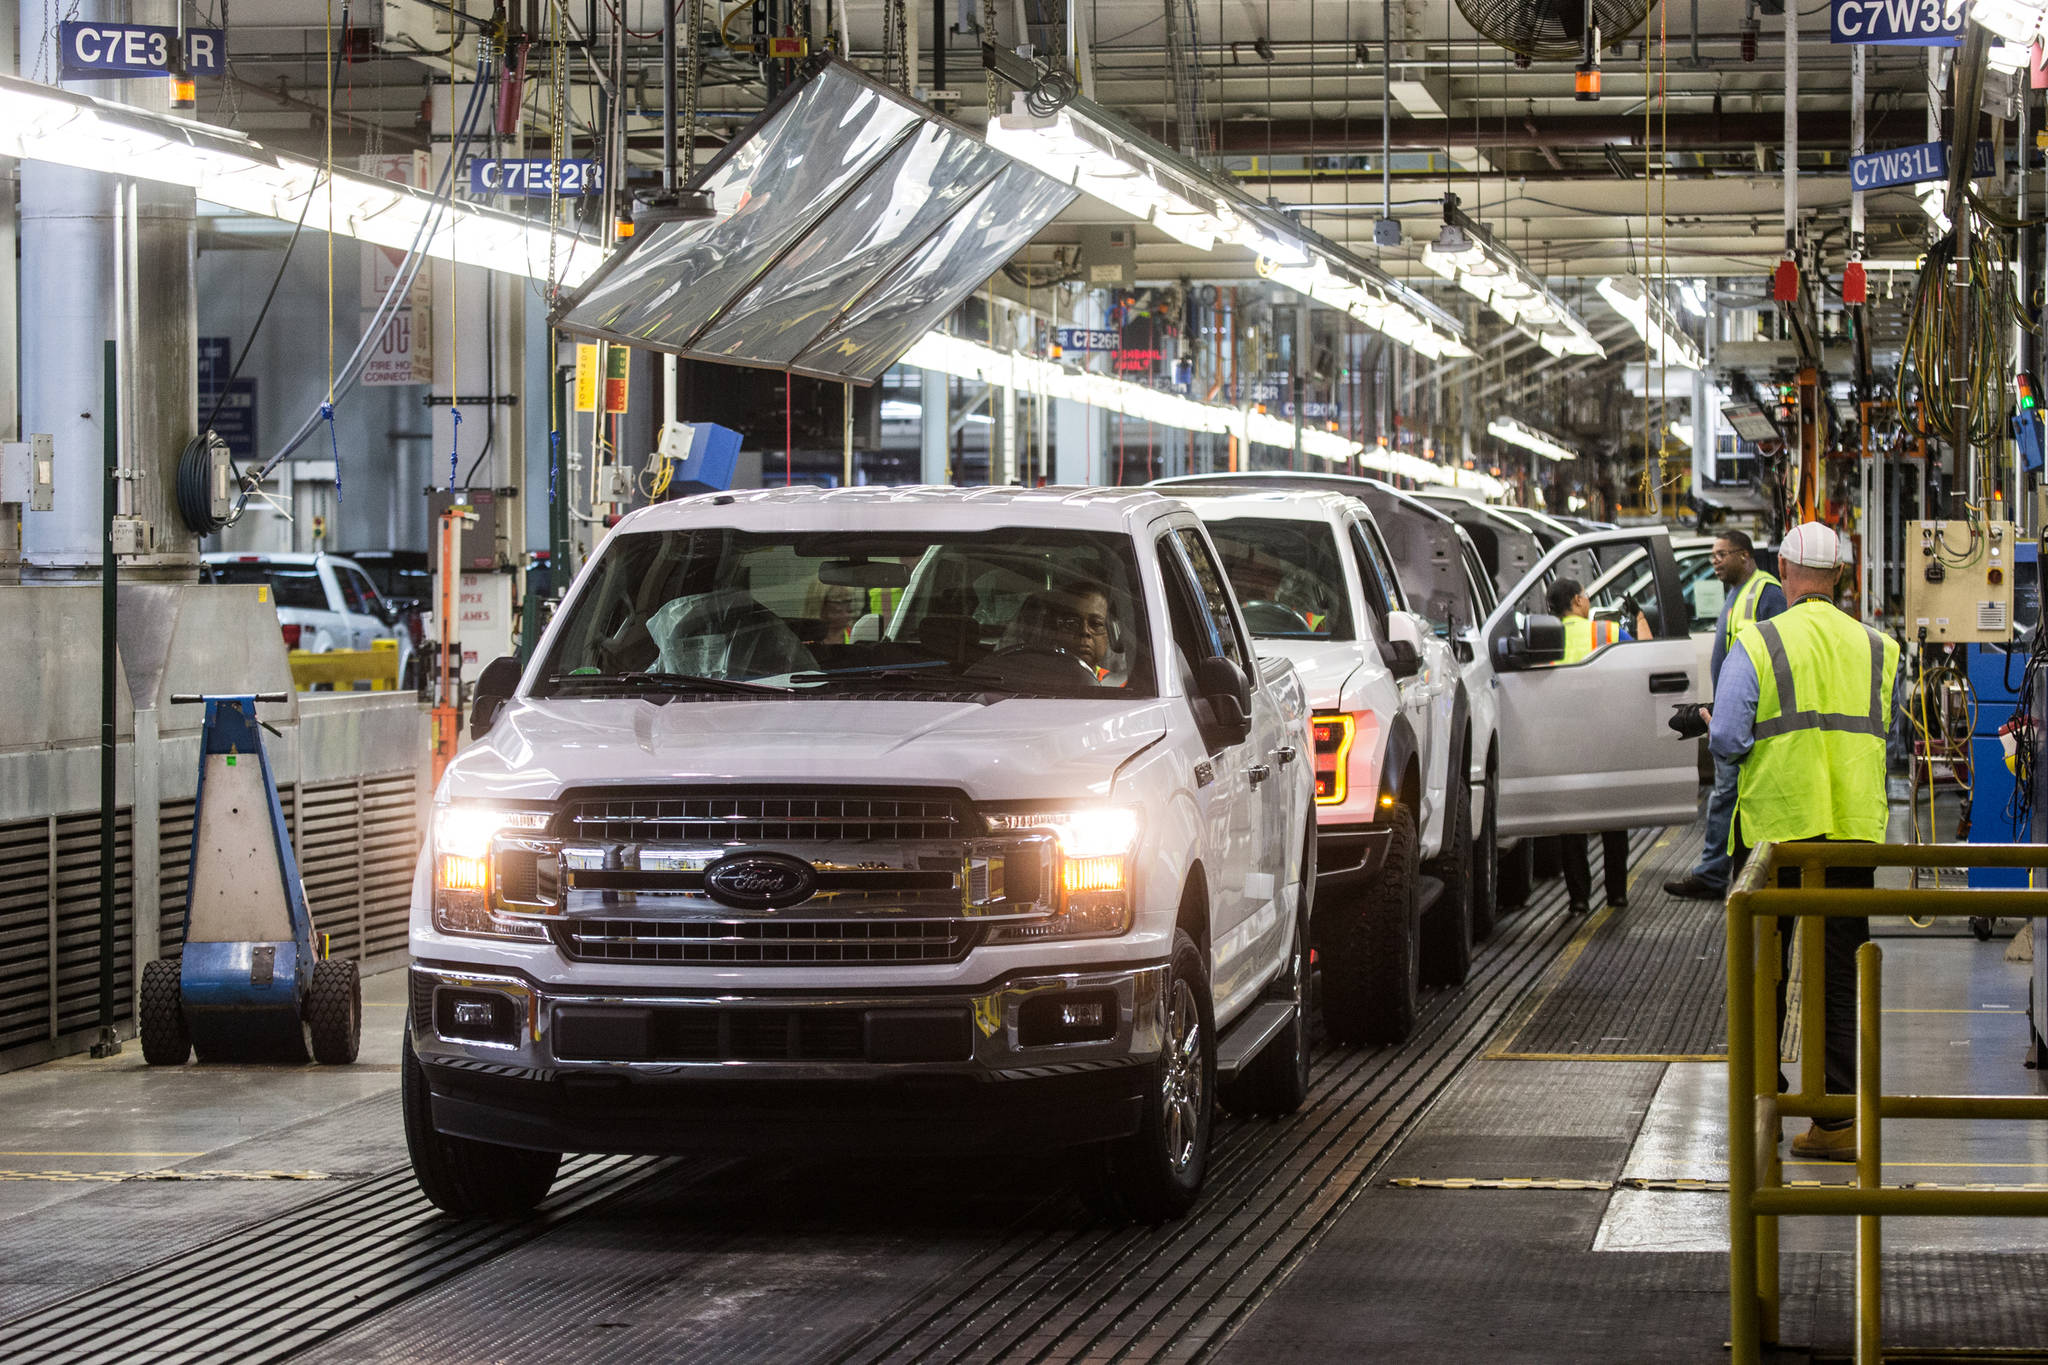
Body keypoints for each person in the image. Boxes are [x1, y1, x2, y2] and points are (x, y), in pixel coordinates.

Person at [1710, 520, 1898, 1162]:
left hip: (1775, 837)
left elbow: (1730, 740)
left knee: (1765, 971)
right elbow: (1886, 738)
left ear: (1785, 570)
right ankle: (1836, 1124)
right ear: (1841, 576)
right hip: (1849, 836)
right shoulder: (1877, 647)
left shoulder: (1759, 641)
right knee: (1839, 972)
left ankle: (1763, 1104)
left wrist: (1714, 723)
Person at [1664, 530, 1787, 900]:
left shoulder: (1767, 593)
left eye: (1722, 554)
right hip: (1732, 710)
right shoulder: (1735, 594)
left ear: (1745, 555)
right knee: (1726, 795)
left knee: (1727, 794)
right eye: (1713, 555)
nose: (1715, 561)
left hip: (1750, 715)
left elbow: (1780, 655)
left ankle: (1717, 873)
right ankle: (1720, 872)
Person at [1548, 577, 1633, 913]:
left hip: (1565, 738)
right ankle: (1617, 892)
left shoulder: (1547, 638)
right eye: (1585, 595)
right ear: (1577, 600)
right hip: (1608, 734)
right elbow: (1645, 655)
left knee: (1572, 820)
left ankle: (1579, 897)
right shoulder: (1607, 633)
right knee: (1613, 815)